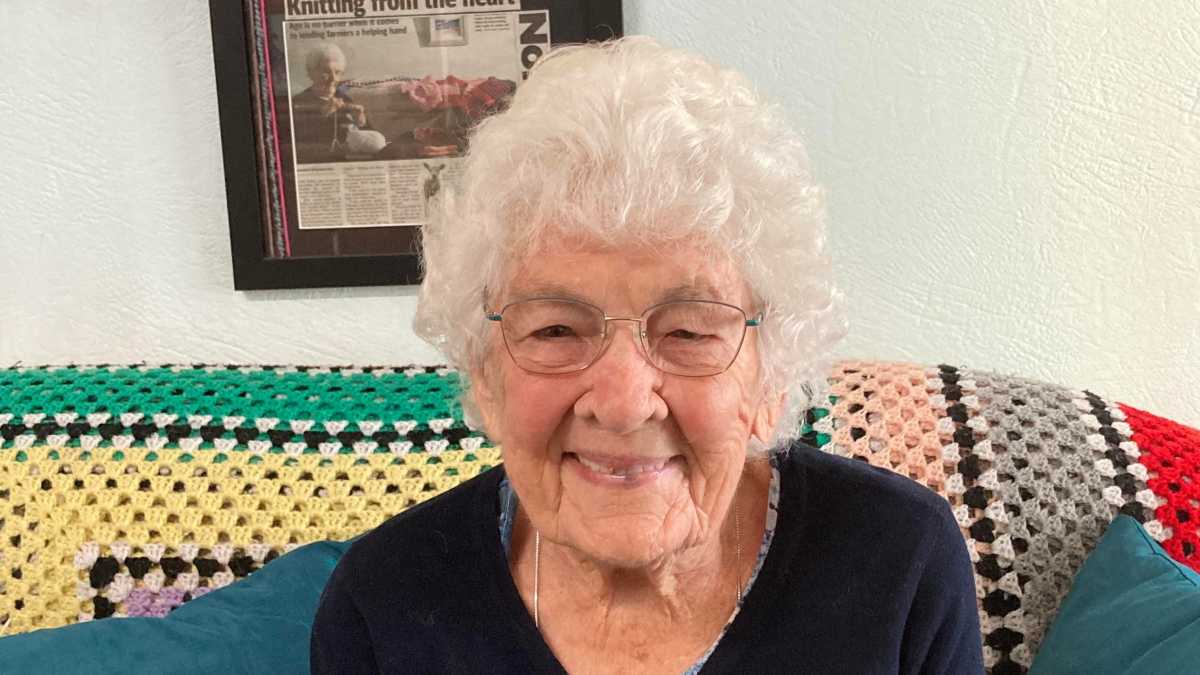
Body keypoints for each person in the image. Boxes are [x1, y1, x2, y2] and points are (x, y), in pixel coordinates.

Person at [310, 37, 984, 674]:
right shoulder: (384, 605)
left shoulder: (899, 565)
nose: (626, 402)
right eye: (555, 330)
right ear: (484, 374)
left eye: (689, 332)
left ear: (771, 378)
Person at [291, 43, 382, 163]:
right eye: (326, 72)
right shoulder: (298, 102)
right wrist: (322, 115)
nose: (333, 78)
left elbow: (371, 138)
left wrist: (362, 122)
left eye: (338, 72)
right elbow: (295, 144)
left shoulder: (345, 99)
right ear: (311, 72)